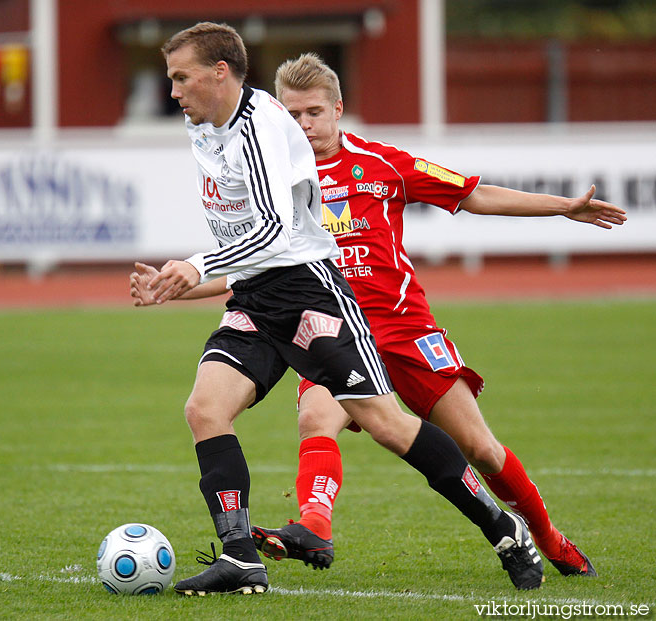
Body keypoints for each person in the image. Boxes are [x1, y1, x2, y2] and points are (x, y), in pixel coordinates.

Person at [138, 22, 545, 596]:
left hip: (310, 293)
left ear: (220, 73)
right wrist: (176, 280)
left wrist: (198, 264)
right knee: (205, 409)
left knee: (387, 425)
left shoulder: (264, 130)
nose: (173, 91)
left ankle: (505, 530)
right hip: (255, 298)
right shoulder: (202, 123)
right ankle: (240, 559)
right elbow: (245, 226)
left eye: (182, 78)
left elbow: (279, 233)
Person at [246, 53, 627, 580]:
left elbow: (476, 194)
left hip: (406, 327)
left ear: (338, 108)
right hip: (331, 327)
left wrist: (561, 207)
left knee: (480, 448)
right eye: (292, 116)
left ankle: (546, 536)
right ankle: (314, 525)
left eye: (313, 112)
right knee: (315, 418)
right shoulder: (275, 180)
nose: (304, 125)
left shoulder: (382, 163)